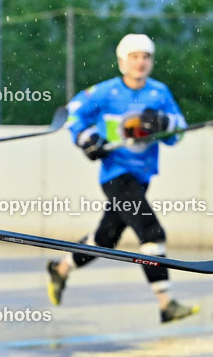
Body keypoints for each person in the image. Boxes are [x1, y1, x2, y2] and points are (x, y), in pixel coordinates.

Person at [47, 33, 198, 323]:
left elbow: (178, 132)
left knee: (105, 239)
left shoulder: (159, 93)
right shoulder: (105, 92)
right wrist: (86, 137)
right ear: (121, 62)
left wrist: (167, 124)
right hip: (116, 175)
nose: (141, 62)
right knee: (151, 232)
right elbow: (73, 114)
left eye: (146, 57)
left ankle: (61, 268)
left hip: (141, 176)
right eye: (134, 57)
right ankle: (166, 303)